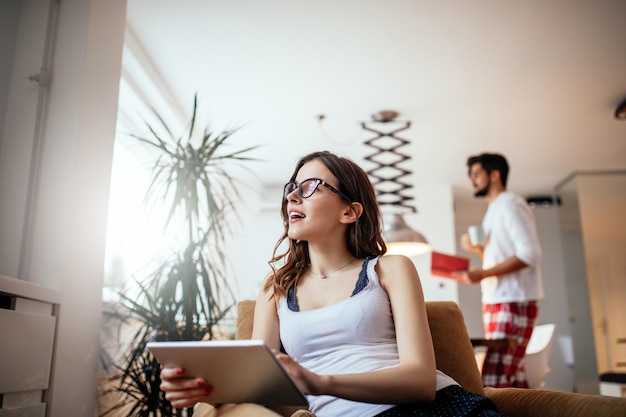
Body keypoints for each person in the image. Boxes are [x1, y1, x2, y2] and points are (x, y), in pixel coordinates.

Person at [160, 151, 508, 417]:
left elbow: (420, 383)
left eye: (309, 187)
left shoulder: (389, 269)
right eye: (291, 189)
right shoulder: (275, 289)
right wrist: (201, 388)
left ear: (349, 212)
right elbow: (255, 384)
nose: (292, 197)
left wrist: (319, 382)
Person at [453, 152, 544, 388]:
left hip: (513, 300)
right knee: (510, 379)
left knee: (496, 381)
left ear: (495, 175)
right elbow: (499, 259)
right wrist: (479, 251)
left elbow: (530, 254)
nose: (472, 180)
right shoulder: (495, 209)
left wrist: (481, 274)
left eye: (476, 174)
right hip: (499, 300)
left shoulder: (510, 204)